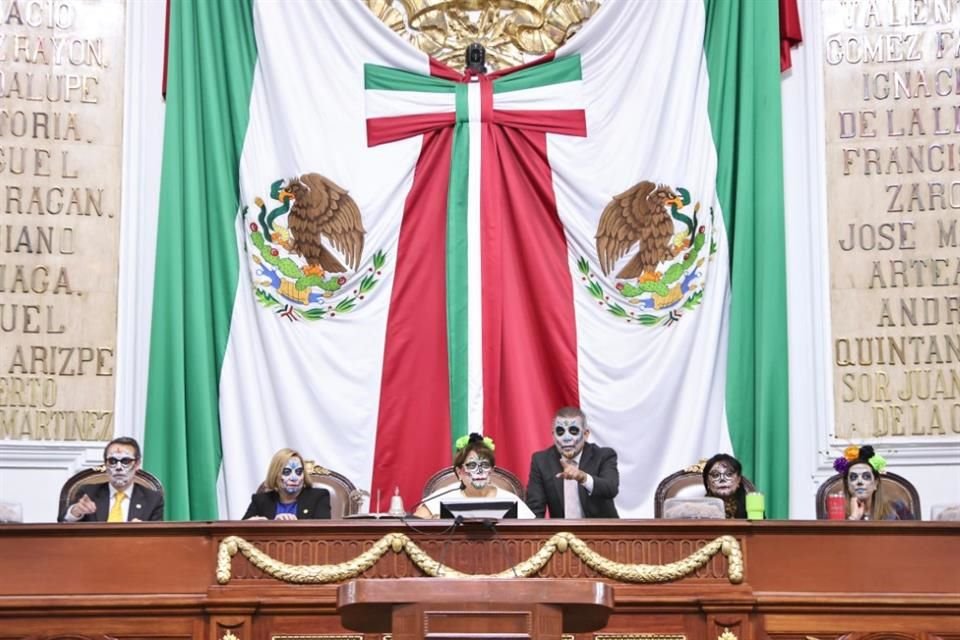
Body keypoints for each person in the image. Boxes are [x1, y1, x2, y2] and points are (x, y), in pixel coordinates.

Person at [525, 406, 619, 518]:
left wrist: (583, 477)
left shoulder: (603, 455)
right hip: (561, 533)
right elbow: (535, 509)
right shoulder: (541, 461)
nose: (566, 438)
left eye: (573, 431)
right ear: (553, 435)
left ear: (585, 434)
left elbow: (611, 488)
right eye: (560, 432)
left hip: (600, 532)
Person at [415, 433, 535, 519]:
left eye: (485, 465)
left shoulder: (510, 500)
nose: (479, 471)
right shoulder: (445, 495)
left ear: (492, 471)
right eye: (472, 465)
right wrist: (433, 520)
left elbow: (532, 530)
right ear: (459, 472)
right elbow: (415, 523)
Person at [60, 437, 164, 522]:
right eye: (112, 461)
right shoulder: (88, 492)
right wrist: (75, 511)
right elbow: (62, 521)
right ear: (105, 464)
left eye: (126, 461)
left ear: (137, 464)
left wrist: (144, 532)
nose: (118, 467)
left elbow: (158, 539)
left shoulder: (152, 499)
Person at [242, 448, 331, 520]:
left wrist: (296, 526)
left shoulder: (319, 497)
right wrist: (266, 525)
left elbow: (324, 534)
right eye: (287, 472)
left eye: (299, 472)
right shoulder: (260, 500)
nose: (294, 478)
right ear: (275, 474)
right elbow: (238, 536)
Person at [837, 445, 913, 521]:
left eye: (866, 476)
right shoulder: (835, 512)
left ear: (875, 483)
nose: (859, 481)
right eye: (854, 477)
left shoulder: (898, 509)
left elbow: (914, 532)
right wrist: (853, 519)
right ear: (847, 484)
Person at [702, 453, 747, 519]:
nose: (722, 479)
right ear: (707, 482)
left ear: (738, 480)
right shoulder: (699, 510)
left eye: (729, 474)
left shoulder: (751, 508)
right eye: (715, 475)